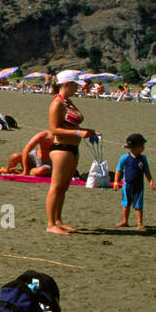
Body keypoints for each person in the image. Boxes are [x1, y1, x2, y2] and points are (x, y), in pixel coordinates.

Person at [46, 70, 98, 235]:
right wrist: (78, 133)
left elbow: (72, 125)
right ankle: (50, 224)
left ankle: (58, 220)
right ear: (66, 84)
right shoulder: (57, 104)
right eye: (75, 85)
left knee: (64, 187)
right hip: (61, 149)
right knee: (56, 187)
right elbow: (55, 130)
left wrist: (87, 131)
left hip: (73, 148)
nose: (77, 88)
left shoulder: (68, 102)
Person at [115, 133, 154, 229]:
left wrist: (151, 181)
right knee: (126, 204)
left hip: (139, 186)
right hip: (127, 185)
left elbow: (147, 171)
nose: (143, 148)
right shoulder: (125, 158)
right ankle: (125, 221)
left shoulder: (143, 159)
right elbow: (118, 169)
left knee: (138, 205)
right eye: (141, 146)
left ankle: (140, 223)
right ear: (134, 147)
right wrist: (116, 181)